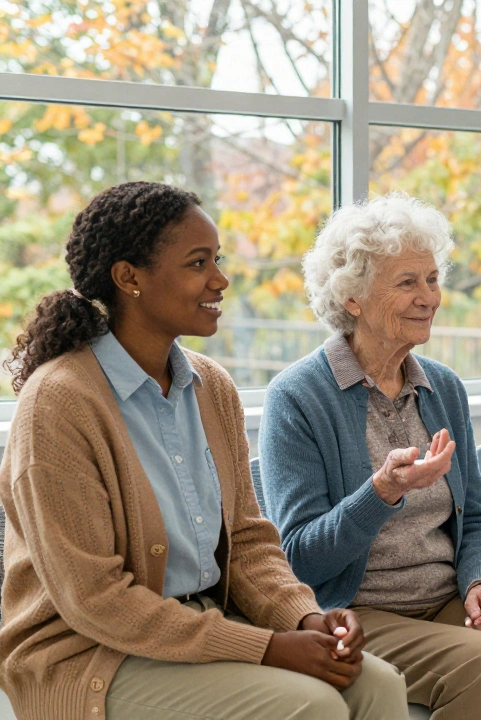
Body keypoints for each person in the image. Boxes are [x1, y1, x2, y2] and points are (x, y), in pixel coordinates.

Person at [0, 182, 407, 720]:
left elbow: (247, 538)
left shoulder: (211, 387)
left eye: (217, 259)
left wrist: (305, 619)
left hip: (203, 624)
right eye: (198, 264)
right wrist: (265, 647)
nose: (221, 279)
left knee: (377, 684)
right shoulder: (59, 403)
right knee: (310, 706)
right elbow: (94, 600)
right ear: (130, 278)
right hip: (90, 652)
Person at [258, 193, 481, 720]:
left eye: (432, 279)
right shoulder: (298, 397)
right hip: (355, 609)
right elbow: (297, 557)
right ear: (353, 298)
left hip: (446, 596)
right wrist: (382, 492)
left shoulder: (442, 388)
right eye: (407, 282)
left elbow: (475, 514)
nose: (429, 296)